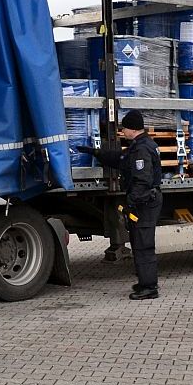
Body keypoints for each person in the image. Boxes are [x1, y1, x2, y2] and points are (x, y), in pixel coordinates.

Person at [75, 110, 163, 300]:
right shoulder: (140, 146)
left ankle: (149, 288)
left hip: (144, 203)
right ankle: (145, 283)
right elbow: (120, 159)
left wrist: (131, 202)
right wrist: (96, 153)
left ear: (133, 129)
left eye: (124, 128)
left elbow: (142, 181)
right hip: (144, 201)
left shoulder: (141, 150)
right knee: (139, 243)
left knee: (143, 245)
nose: (122, 131)